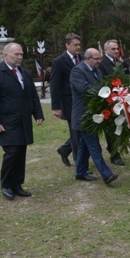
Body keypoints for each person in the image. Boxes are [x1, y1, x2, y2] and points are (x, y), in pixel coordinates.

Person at [0, 43, 44, 200]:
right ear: (5, 55)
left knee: (21, 152)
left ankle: (17, 184)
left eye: (21, 54)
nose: (19, 57)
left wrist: (38, 113)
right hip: (6, 121)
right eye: (16, 54)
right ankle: (6, 185)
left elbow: (32, 95)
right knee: (11, 152)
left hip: (23, 120)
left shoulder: (25, 73)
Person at [70, 48, 118, 185]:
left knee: (84, 145)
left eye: (99, 58)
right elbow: (85, 89)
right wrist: (106, 92)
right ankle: (107, 175)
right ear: (87, 58)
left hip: (95, 114)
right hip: (83, 115)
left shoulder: (97, 72)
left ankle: (80, 172)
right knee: (94, 145)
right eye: (96, 59)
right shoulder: (77, 71)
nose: (99, 61)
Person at [50, 33, 82, 167]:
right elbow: (55, 84)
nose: (78, 47)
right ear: (67, 45)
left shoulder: (82, 58)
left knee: (81, 131)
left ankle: (64, 149)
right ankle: (80, 163)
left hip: (82, 101)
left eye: (79, 44)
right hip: (69, 103)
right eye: (75, 45)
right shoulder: (59, 61)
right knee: (75, 132)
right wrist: (56, 107)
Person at [97, 39, 126, 166]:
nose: (116, 51)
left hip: (119, 99)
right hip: (107, 100)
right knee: (110, 128)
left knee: (113, 127)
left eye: (117, 49)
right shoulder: (102, 63)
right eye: (113, 49)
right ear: (106, 50)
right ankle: (114, 154)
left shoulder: (118, 62)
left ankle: (65, 148)